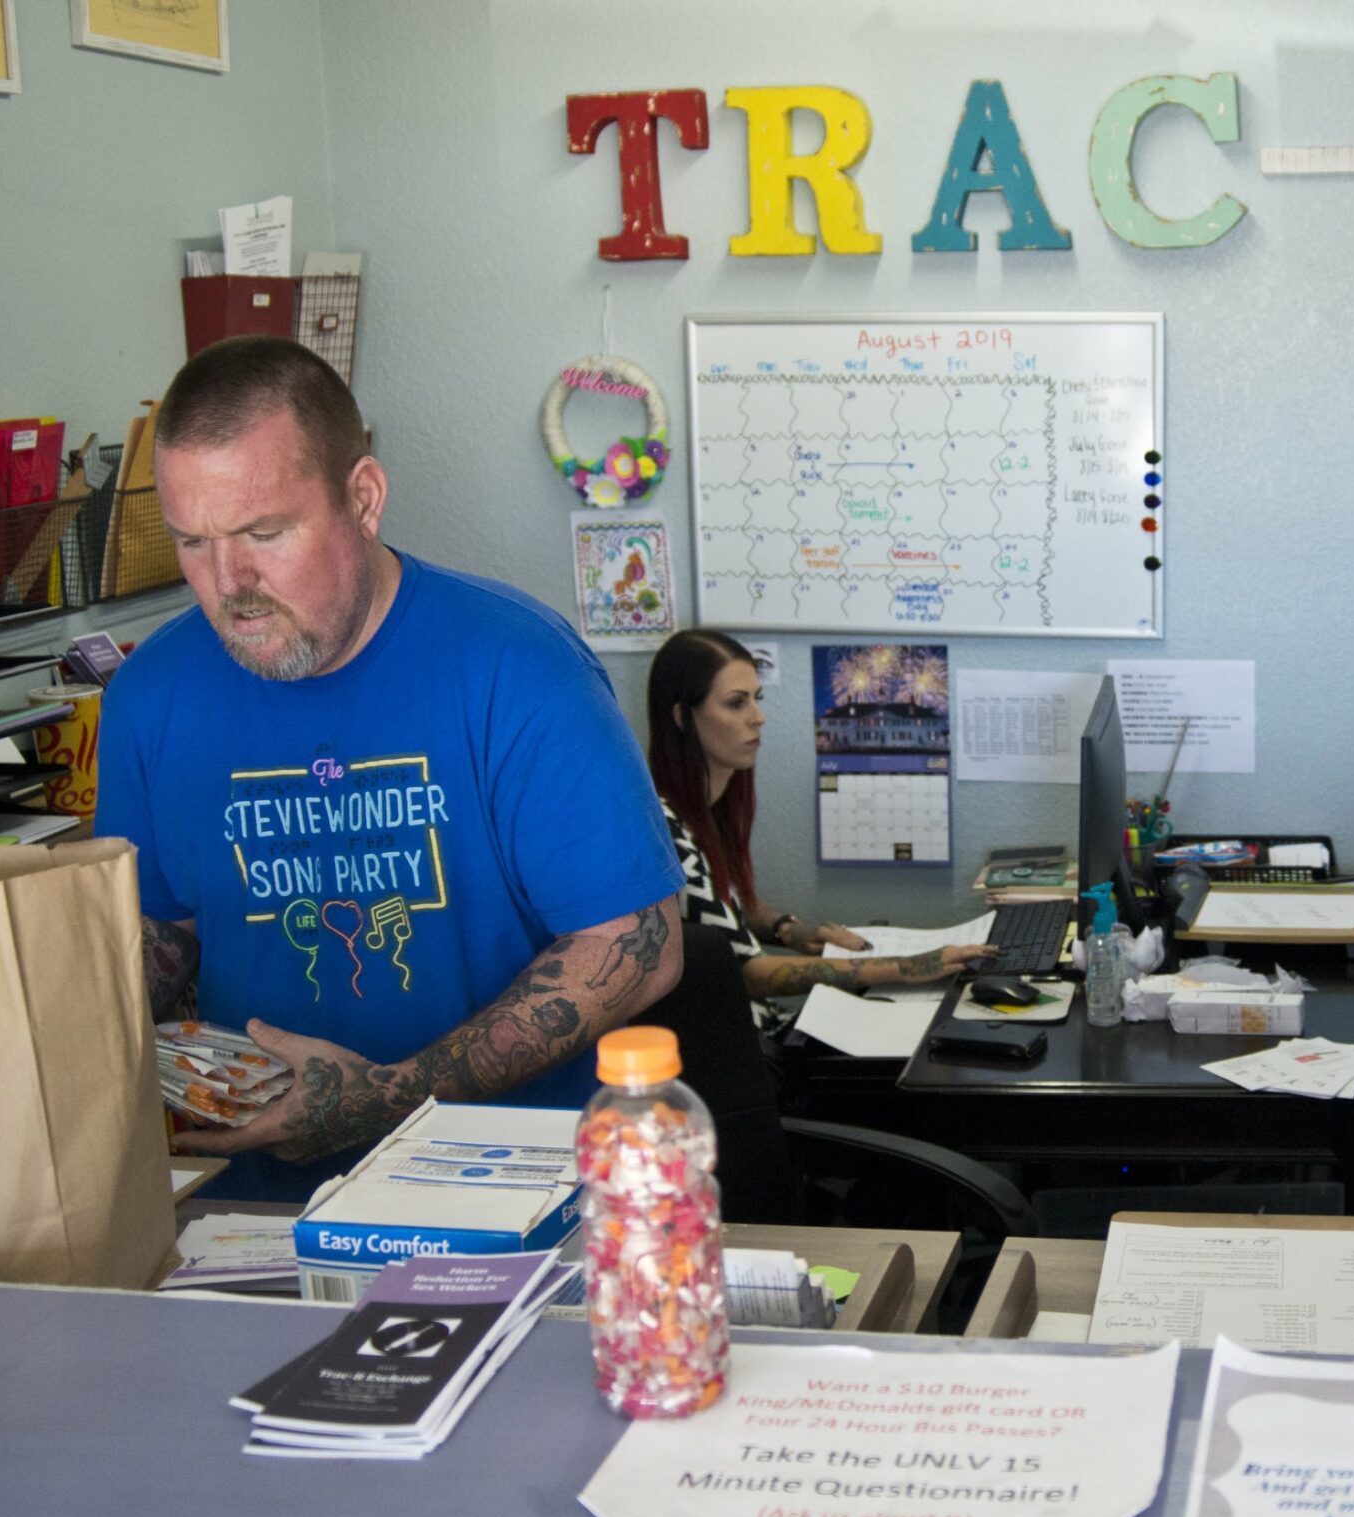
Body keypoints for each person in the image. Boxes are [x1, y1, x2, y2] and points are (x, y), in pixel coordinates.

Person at [95, 336, 683, 1197]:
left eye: (265, 532)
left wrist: (394, 1095)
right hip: (253, 1213)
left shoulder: (518, 666)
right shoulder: (149, 694)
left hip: (509, 1201)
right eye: (195, 541)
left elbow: (640, 943)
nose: (230, 582)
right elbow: (166, 932)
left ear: (362, 498)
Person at [646, 627, 990, 1021]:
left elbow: (721, 906)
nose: (758, 717)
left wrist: (789, 930)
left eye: (757, 699)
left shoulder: (706, 811)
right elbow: (752, 974)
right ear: (681, 717)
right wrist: (907, 967)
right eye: (736, 703)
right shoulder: (665, 835)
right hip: (738, 1045)